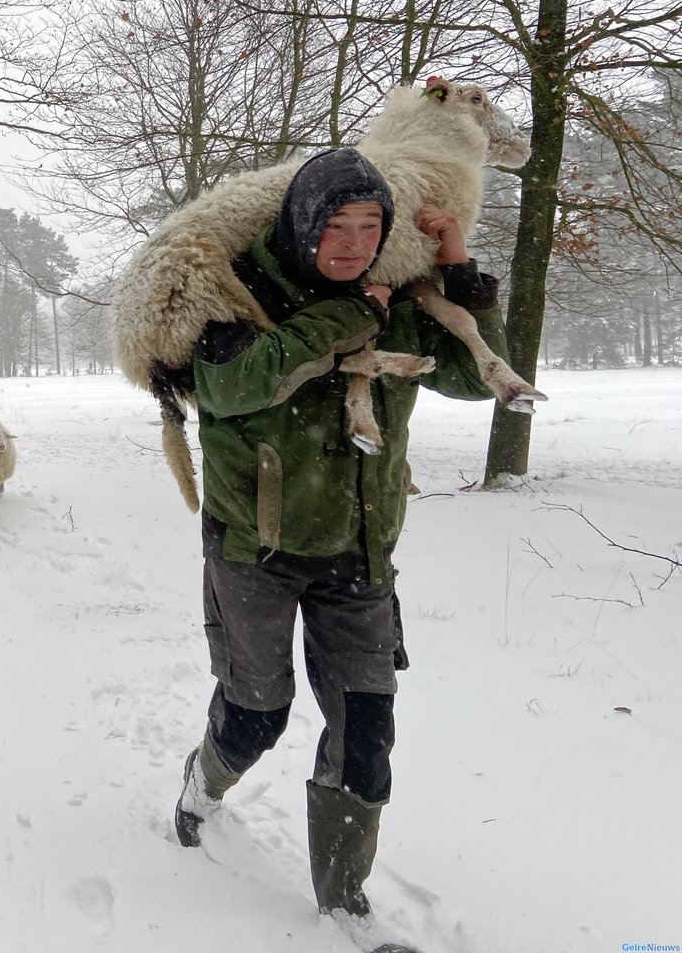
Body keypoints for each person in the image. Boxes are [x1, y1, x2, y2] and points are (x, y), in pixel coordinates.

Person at [166, 147, 509, 922]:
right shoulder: (237, 292)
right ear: (300, 221)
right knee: (256, 713)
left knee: (366, 732)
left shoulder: (401, 292)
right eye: (337, 223)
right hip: (255, 551)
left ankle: (343, 900)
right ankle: (203, 782)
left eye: (372, 224)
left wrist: (459, 269)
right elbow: (236, 383)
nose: (354, 242)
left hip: (358, 552)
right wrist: (352, 317)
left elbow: (471, 376)